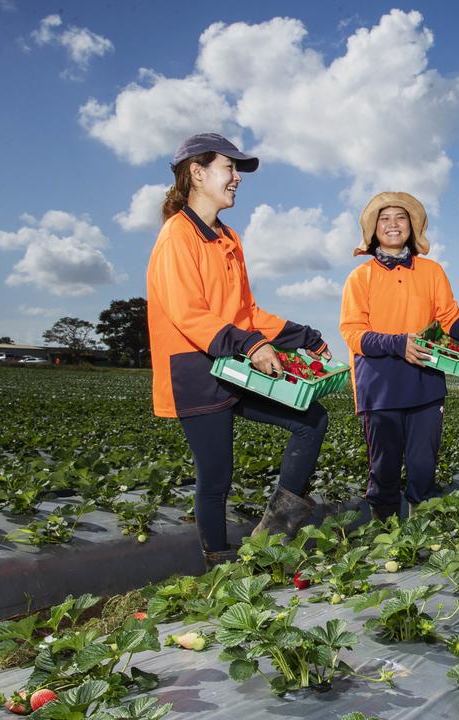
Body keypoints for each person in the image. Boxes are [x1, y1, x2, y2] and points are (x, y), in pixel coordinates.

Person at [147, 133, 332, 568]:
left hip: (231, 365)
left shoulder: (228, 238)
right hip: (195, 369)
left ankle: (274, 532)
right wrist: (251, 344)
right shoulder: (178, 235)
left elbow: (245, 311)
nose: (236, 179)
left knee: (311, 420)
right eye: (229, 168)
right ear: (197, 172)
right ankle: (217, 559)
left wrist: (300, 335)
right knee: (216, 476)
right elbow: (188, 313)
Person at [339, 191, 459, 522]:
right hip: (380, 386)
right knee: (383, 468)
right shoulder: (360, 277)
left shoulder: (432, 271)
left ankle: (418, 536)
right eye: (384, 219)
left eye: (400, 218)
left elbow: (450, 318)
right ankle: (384, 536)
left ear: (412, 227)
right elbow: (353, 333)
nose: (393, 224)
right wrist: (398, 344)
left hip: (425, 383)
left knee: (423, 465)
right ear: (373, 230)